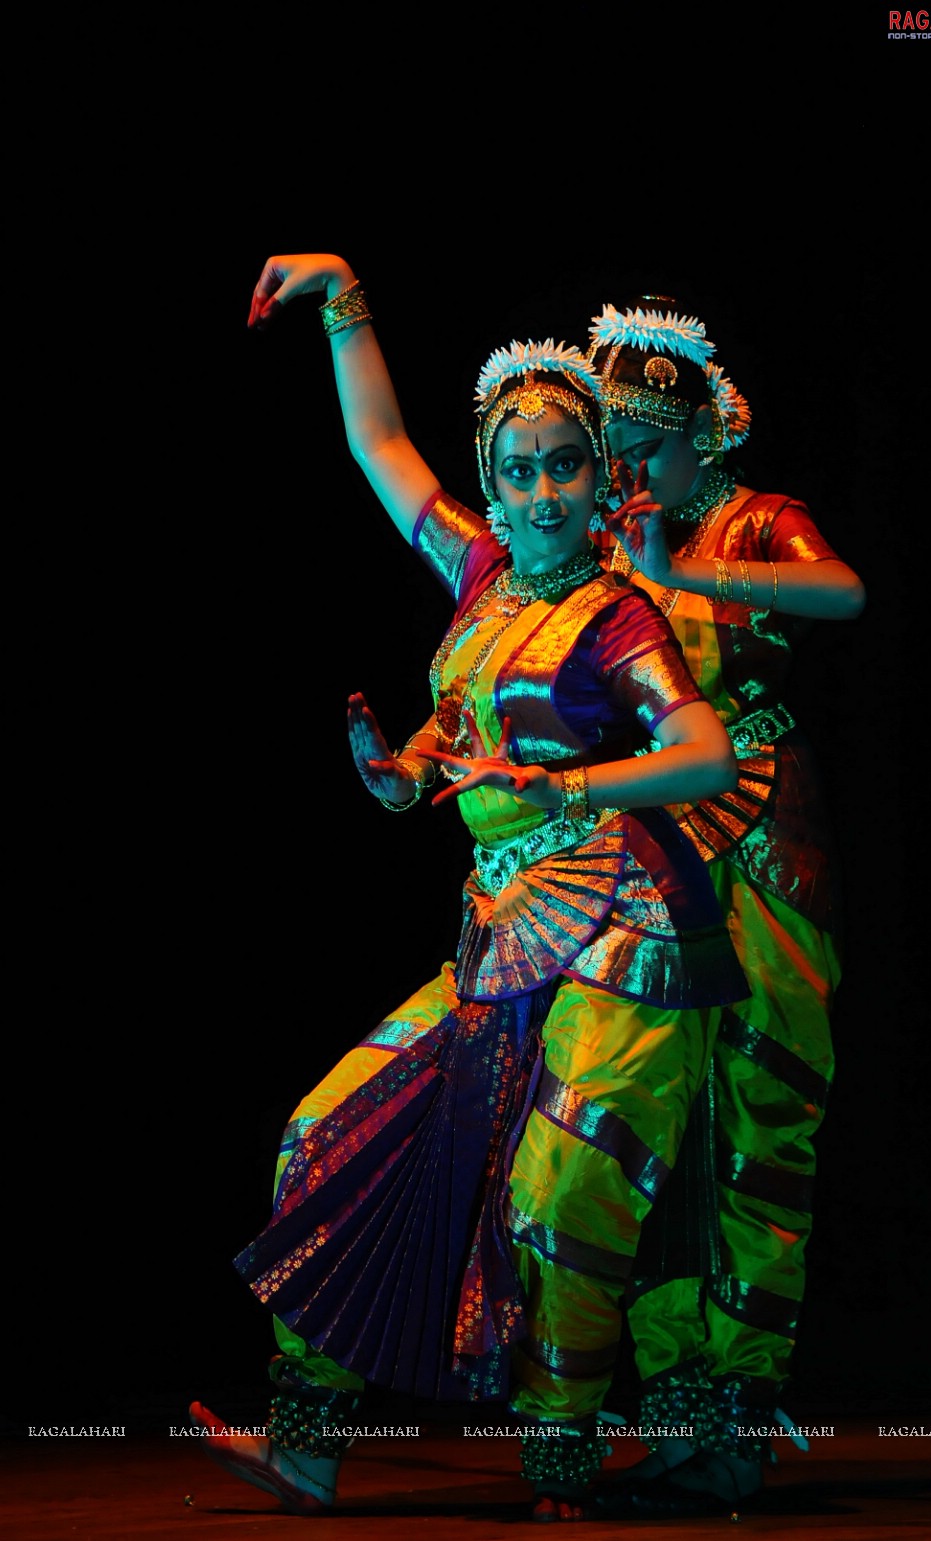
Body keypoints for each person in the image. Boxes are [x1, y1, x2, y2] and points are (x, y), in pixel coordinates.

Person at [189, 254, 752, 1522]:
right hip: (500, 935)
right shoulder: (483, 576)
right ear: (494, 486)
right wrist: (345, 300)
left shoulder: (620, 619)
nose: (543, 491)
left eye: (567, 465)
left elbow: (705, 751)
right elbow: (380, 444)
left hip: (632, 933)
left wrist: (572, 791)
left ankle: (561, 1470)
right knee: (329, 1131)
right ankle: (309, 1442)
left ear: (604, 478)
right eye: (519, 469)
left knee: (564, 1196)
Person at [582, 299, 865, 1512]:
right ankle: (681, 1425)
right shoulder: (596, 543)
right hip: (645, 859)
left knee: (760, 1129)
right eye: (618, 444)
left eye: (650, 441)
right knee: (654, 1135)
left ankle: (743, 1424)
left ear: (708, 436)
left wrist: (681, 571)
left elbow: (843, 595)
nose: (631, 466)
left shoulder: (755, 523)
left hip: (766, 854)